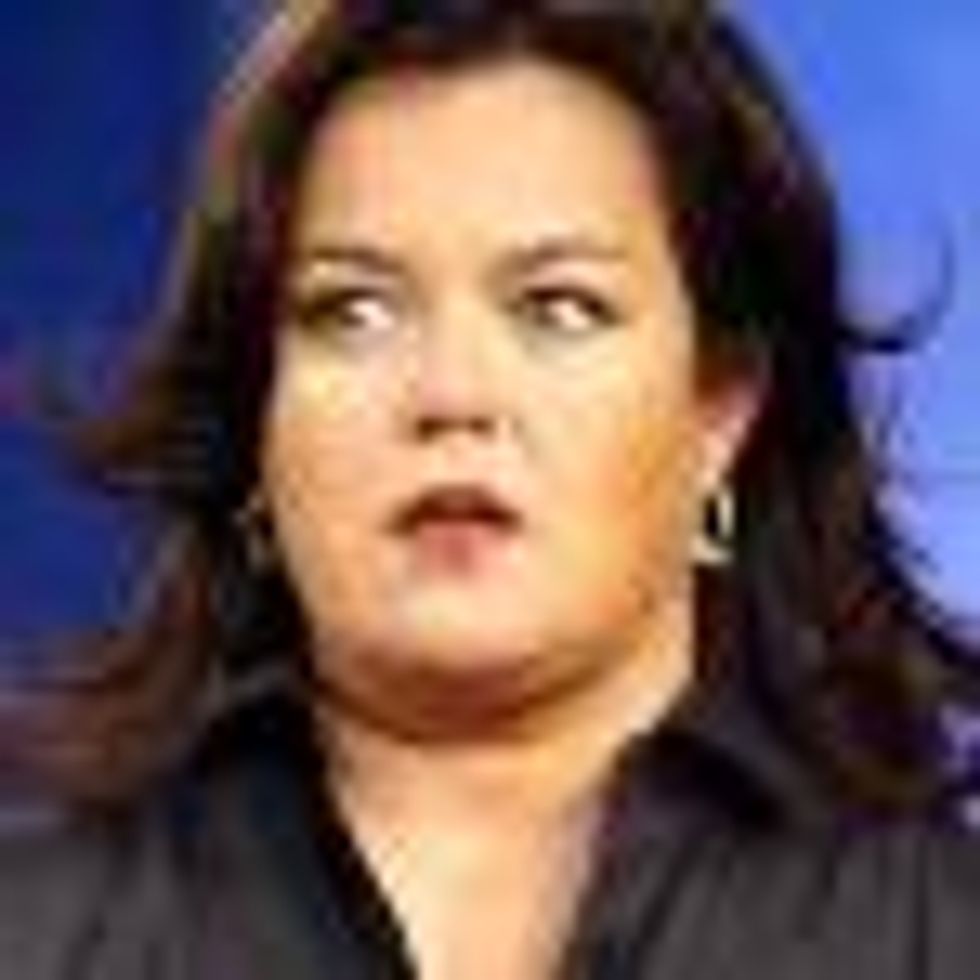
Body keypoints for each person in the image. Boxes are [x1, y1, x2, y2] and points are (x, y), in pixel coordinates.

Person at [3, 1, 979, 977]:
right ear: (255, 412)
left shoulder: (935, 931)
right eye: (353, 310)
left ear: (720, 410)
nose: (452, 395)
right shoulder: (35, 924)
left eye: (559, 308)